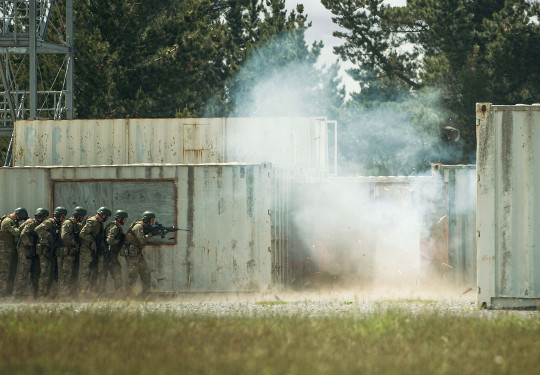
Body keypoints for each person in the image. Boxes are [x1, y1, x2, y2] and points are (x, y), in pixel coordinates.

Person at [13, 208, 49, 298]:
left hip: (34, 252)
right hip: (25, 251)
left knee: (36, 272)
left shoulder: (41, 226)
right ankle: (18, 294)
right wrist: (29, 243)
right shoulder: (31, 224)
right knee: (23, 273)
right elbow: (23, 235)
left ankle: (36, 294)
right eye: (44, 217)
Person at [123, 211, 156, 298]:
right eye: (151, 221)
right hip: (132, 253)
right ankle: (129, 297)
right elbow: (142, 240)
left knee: (146, 273)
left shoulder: (143, 226)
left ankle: (145, 296)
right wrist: (150, 235)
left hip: (137, 253)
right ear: (146, 220)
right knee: (133, 275)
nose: (152, 223)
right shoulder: (138, 227)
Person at [35, 206, 66, 298]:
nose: (63, 218)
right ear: (58, 215)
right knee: (45, 273)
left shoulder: (58, 224)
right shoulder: (50, 222)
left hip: (52, 251)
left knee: (52, 273)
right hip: (45, 251)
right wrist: (48, 235)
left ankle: (47, 292)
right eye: (62, 216)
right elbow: (38, 229)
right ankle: (41, 294)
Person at [79, 206, 110, 296]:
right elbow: (83, 234)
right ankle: (82, 292)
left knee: (95, 272)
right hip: (87, 250)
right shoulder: (92, 221)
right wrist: (91, 241)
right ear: (102, 215)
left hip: (95, 250)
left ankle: (93, 292)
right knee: (86, 271)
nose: (107, 218)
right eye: (106, 216)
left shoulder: (100, 223)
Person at [58, 206, 86, 297]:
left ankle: (72, 293)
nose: (82, 218)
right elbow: (64, 237)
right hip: (68, 253)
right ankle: (63, 293)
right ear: (77, 216)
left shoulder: (76, 224)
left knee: (74, 273)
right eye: (82, 216)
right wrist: (74, 242)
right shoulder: (68, 223)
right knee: (66, 273)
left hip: (74, 252)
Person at [0, 207, 28, 296]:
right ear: (16, 215)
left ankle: (8, 291)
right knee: (4, 272)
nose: (20, 221)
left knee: (12, 271)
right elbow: (16, 232)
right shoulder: (8, 221)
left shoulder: (13, 221)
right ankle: (2, 292)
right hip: (5, 251)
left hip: (10, 250)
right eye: (20, 219)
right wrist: (25, 224)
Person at [102, 210, 128, 296]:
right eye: (124, 219)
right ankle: (117, 294)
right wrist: (118, 241)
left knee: (116, 276)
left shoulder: (118, 227)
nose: (125, 221)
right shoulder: (114, 227)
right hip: (109, 256)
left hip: (112, 256)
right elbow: (109, 240)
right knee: (116, 276)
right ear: (119, 218)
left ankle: (118, 293)